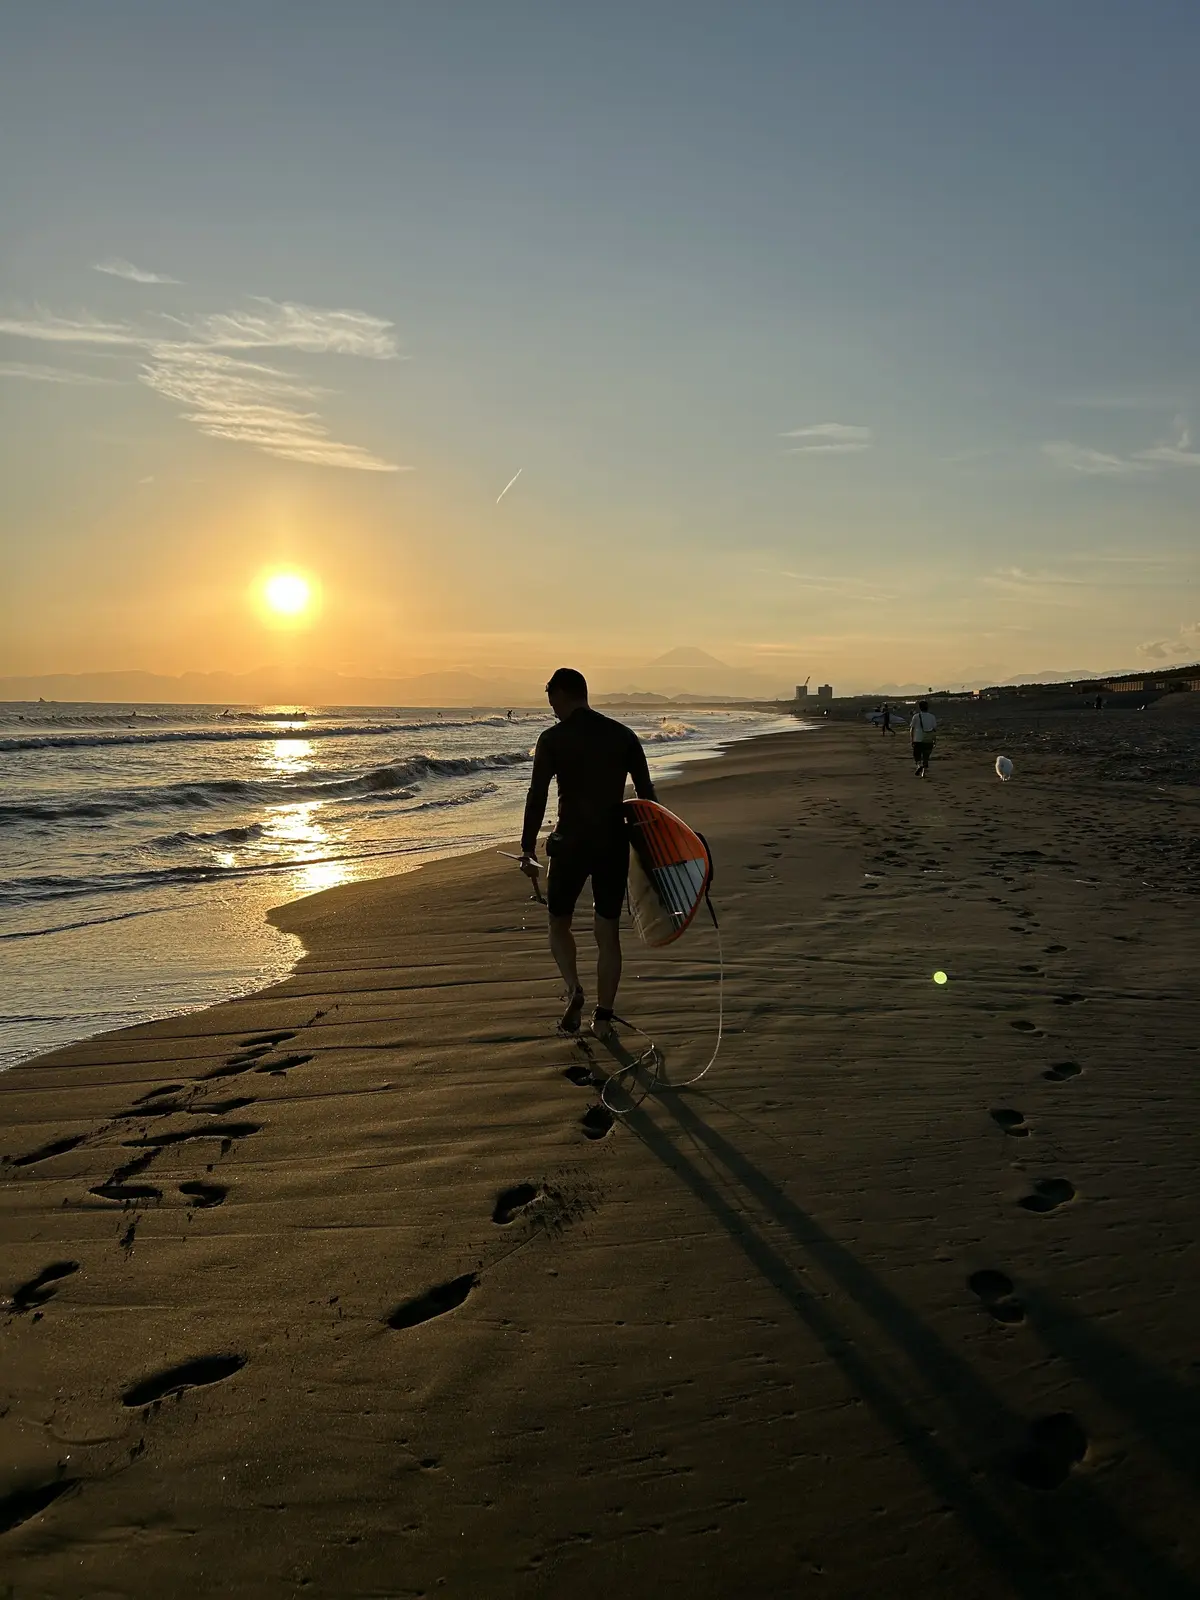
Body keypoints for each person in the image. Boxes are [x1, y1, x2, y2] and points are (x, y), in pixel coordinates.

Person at [518, 667, 656, 1038]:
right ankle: (605, 1018)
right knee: (607, 932)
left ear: (563, 694)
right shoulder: (624, 736)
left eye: (552, 701)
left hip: (570, 844)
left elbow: (538, 796)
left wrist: (527, 847)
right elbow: (648, 800)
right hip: (613, 844)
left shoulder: (552, 739)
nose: (552, 710)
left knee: (558, 922)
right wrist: (653, 855)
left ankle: (574, 987)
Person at [910, 699, 937, 777]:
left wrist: (912, 739)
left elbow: (912, 729)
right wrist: (934, 740)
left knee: (917, 755)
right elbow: (934, 729)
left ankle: (919, 766)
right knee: (926, 756)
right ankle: (923, 773)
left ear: (919, 707)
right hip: (928, 739)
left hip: (918, 739)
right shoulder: (932, 716)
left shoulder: (916, 716)